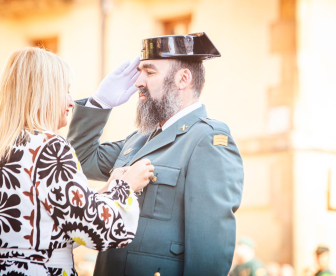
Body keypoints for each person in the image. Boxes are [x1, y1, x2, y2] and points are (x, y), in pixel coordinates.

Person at [0, 47, 154, 276]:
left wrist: (106, 190)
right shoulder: (49, 146)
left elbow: (50, 222)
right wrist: (125, 187)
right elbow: (96, 231)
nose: (71, 102)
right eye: (66, 91)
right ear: (44, 93)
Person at [68, 32, 244, 275]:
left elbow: (209, 247)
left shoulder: (208, 139)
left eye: (149, 72)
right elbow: (79, 161)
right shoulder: (138, 139)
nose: (138, 82)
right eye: (140, 72)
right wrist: (100, 103)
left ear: (183, 79)